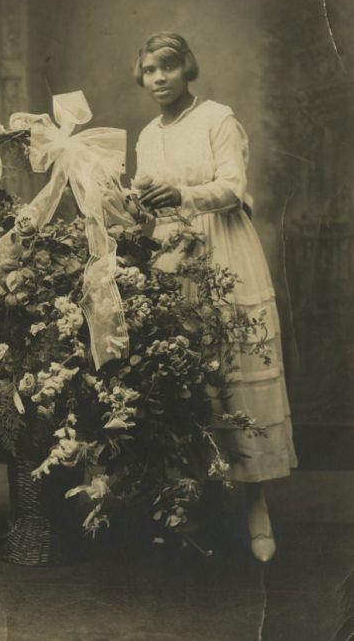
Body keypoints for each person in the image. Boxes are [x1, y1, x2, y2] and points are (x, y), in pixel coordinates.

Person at [132, 31, 297, 562]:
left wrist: (183, 195)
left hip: (222, 248)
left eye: (168, 68)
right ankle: (184, 499)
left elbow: (232, 185)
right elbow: (142, 197)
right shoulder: (146, 135)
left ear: (187, 70)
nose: (158, 79)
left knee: (235, 373)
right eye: (149, 70)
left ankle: (257, 504)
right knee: (181, 374)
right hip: (171, 257)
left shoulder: (218, 119)